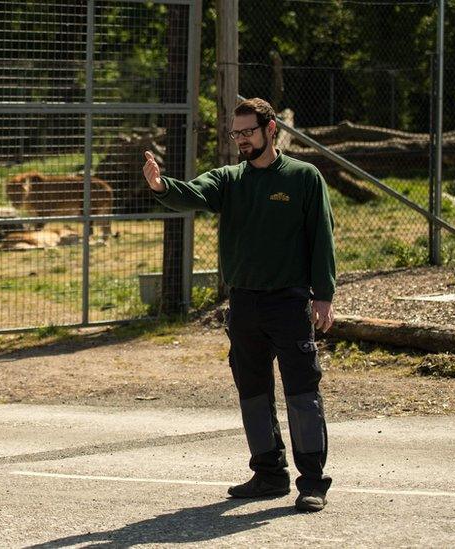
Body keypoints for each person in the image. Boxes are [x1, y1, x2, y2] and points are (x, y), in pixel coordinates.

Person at [142, 97, 335, 513]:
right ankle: (269, 474)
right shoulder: (230, 179)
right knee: (252, 391)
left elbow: (322, 238)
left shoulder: (304, 177)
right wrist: (161, 186)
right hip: (244, 303)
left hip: (290, 301)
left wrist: (324, 295)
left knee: (302, 392)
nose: (241, 140)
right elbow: (193, 193)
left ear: (270, 130)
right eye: (236, 133)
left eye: (248, 132)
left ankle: (313, 482)